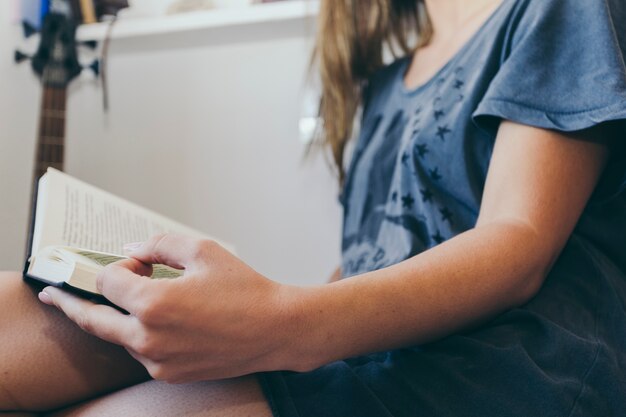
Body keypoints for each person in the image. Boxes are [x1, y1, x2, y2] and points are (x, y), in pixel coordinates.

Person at [1, 0, 625, 415]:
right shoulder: (382, 85)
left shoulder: (559, 11)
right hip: (365, 343)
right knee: (16, 311)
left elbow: (517, 244)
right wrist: (249, 309)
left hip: (500, 360)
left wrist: (279, 324)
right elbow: (362, 259)